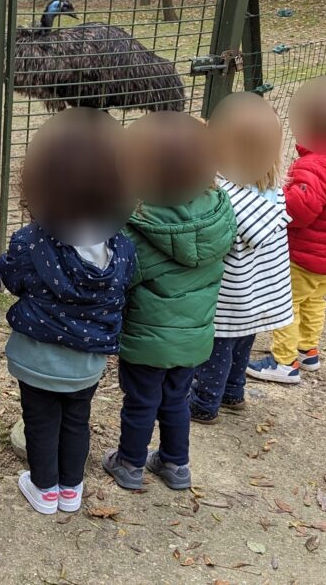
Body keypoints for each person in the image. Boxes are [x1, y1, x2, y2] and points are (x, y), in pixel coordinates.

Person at [0, 108, 137, 515]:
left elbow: (12, 279)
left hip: (35, 361)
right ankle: (71, 490)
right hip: (87, 364)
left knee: (40, 423)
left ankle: (44, 490)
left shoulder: (30, 241)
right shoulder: (123, 246)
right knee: (77, 420)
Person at [103, 112, 236, 491]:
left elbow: (123, 280)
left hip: (146, 340)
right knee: (176, 399)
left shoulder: (135, 228)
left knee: (142, 401)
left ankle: (129, 462)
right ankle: (176, 465)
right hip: (195, 338)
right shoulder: (219, 214)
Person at [247, 77, 326, 383]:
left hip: (302, 258)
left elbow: (298, 213)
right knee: (315, 300)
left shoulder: (314, 168)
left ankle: (284, 361)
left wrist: (280, 197)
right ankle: (308, 351)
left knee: (286, 304)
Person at [189, 93, 294, 423]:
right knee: (241, 346)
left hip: (232, 296)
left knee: (217, 350)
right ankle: (234, 393)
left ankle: (205, 404)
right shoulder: (272, 186)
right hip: (263, 293)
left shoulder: (222, 194)